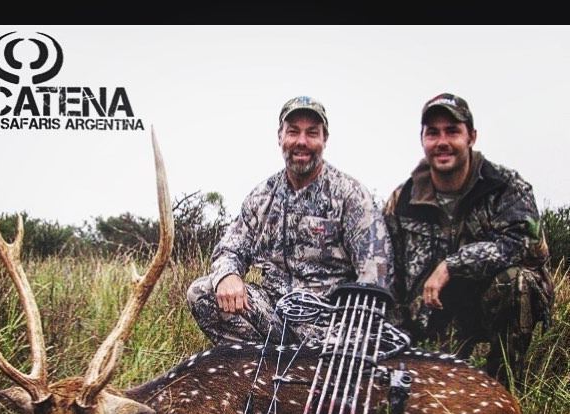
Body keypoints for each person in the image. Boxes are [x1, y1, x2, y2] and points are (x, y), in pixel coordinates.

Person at [187, 95, 392, 346]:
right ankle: (259, 364)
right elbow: (229, 249)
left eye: (312, 133)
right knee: (202, 293)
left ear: (324, 139)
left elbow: (375, 274)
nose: (301, 142)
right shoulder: (261, 197)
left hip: (331, 323)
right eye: (293, 132)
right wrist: (227, 275)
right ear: (280, 137)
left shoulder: (351, 196)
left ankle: (302, 363)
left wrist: (352, 325)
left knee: (363, 335)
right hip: (274, 315)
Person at [384, 92, 554, 386]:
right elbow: (390, 270)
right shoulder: (403, 199)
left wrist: (452, 265)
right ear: (422, 139)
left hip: (492, 302)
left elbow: (523, 242)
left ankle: (505, 384)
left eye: (452, 131)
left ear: (471, 137)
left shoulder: (505, 186)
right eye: (433, 133)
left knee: (516, 282)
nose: (442, 142)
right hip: (435, 311)